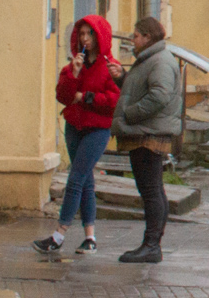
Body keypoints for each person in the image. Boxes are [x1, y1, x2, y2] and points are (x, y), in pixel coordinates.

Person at [37, 15, 121, 256]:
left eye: (90, 34)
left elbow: (114, 100)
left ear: (99, 36)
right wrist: (72, 75)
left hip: (97, 129)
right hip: (74, 126)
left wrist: (86, 97)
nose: (85, 39)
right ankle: (90, 238)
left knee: (75, 179)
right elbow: (62, 96)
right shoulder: (74, 64)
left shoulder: (109, 66)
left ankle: (59, 235)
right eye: (81, 34)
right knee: (85, 182)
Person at [107, 17, 183, 264]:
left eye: (136, 35)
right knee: (152, 189)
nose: (132, 39)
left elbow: (159, 96)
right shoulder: (152, 59)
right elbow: (143, 89)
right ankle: (152, 244)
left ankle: (151, 245)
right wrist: (123, 77)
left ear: (148, 37)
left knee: (150, 190)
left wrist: (130, 113)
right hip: (147, 131)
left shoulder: (159, 61)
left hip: (148, 133)